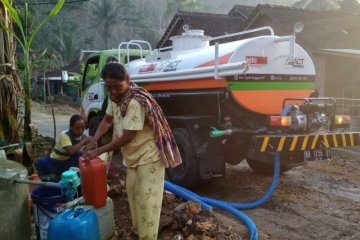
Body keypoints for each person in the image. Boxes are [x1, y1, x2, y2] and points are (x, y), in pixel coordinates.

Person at [82, 63, 182, 240]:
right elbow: (107, 119)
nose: (112, 90)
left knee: (147, 201)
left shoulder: (135, 101)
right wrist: (94, 138)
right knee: (134, 197)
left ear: (127, 81)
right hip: (133, 157)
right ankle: (138, 233)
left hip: (149, 156)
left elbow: (128, 136)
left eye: (117, 86)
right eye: (108, 86)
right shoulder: (115, 99)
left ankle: (148, 237)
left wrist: (98, 151)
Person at [36, 115, 92, 180]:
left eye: (83, 128)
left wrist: (90, 146)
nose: (81, 130)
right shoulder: (65, 135)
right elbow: (71, 151)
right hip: (56, 161)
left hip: (69, 161)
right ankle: (52, 177)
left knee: (80, 157)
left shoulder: (83, 136)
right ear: (71, 127)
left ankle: (68, 176)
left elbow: (85, 151)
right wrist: (84, 141)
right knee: (41, 162)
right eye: (78, 128)